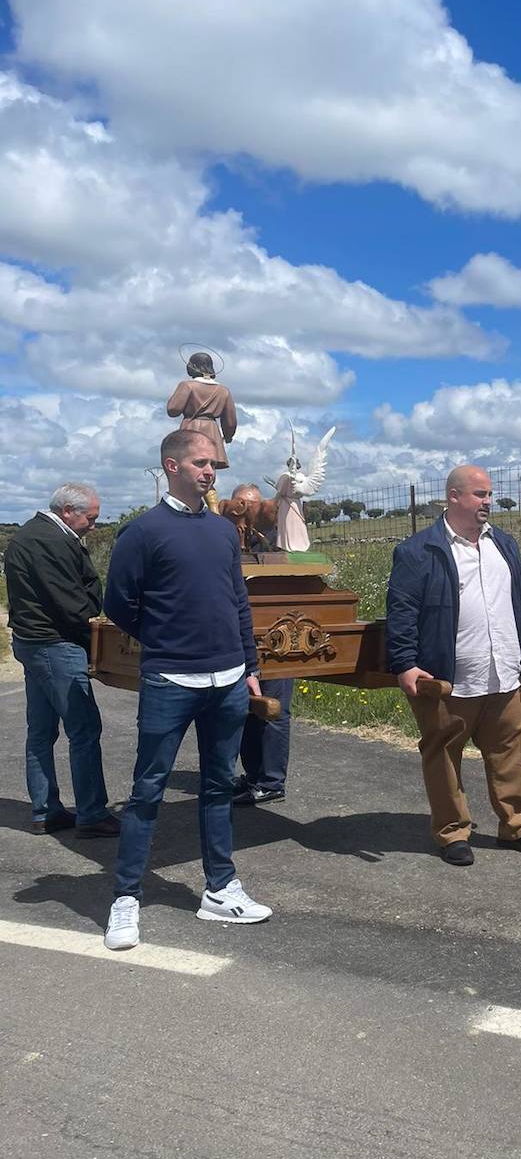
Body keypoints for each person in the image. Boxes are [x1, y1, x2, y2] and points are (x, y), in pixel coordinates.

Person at [101, 432, 272, 951]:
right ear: (171, 466)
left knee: (218, 786)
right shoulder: (142, 532)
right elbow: (118, 602)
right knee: (147, 790)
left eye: (213, 463)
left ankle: (219, 888)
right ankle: (126, 897)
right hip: (170, 680)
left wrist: (249, 665)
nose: (210, 470)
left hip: (228, 682)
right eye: (200, 462)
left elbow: (238, 601)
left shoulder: (223, 532)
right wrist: (166, 638)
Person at [386, 465, 521, 865]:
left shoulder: (503, 544)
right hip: (448, 678)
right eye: (479, 494)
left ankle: (517, 827)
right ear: (454, 497)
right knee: (443, 755)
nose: (488, 502)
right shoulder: (419, 550)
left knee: (510, 753)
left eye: (489, 494)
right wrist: (405, 663)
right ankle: (452, 833)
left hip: (505, 674)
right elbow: (402, 611)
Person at [4, 484, 120, 838]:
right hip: (55, 643)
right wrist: (97, 641)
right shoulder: (50, 541)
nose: (94, 526)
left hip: (32, 641)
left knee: (40, 731)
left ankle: (46, 811)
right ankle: (92, 814)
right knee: (84, 730)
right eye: (91, 518)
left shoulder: (29, 534)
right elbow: (72, 604)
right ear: (68, 510)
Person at [227, 484, 294, 805]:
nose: (248, 516)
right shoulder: (227, 542)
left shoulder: (274, 546)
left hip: (276, 639)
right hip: (242, 640)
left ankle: (271, 781)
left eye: (253, 508)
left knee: (275, 710)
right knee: (248, 711)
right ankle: (253, 775)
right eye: (243, 508)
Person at [166, 350, 237, 512]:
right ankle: (213, 508)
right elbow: (230, 421)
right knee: (208, 472)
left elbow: (173, 409)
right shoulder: (223, 391)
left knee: (185, 472)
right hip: (212, 432)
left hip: (191, 429)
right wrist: (227, 436)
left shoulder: (187, 386)